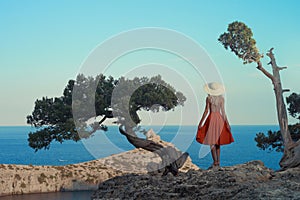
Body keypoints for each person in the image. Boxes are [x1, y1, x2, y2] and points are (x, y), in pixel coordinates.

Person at [196, 82, 234, 169]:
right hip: (219, 119)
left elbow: (206, 111)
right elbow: (223, 112)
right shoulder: (222, 99)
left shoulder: (208, 98)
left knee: (211, 142)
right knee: (218, 142)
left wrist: (201, 123)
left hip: (211, 119)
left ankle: (215, 162)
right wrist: (227, 123)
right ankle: (218, 162)